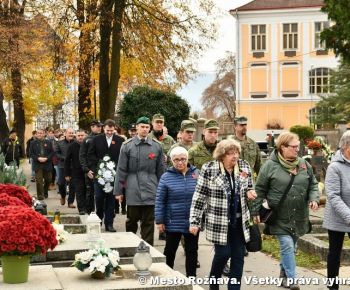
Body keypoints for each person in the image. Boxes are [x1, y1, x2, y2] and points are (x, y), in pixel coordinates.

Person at [252, 132, 319, 290]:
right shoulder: (270, 165)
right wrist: (255, 211)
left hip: (299, 215)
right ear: (282, 147)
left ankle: (283, 276)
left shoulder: (303, 164)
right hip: (278, 216)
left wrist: (314, 198)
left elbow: (313, 184)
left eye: (298, 147)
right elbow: (259, 189)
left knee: (292, 247)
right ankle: (292, 279)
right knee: (287, 245)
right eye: (294, 147)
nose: (297, 150)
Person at [189, 139, 257, 290]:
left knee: (238, 257)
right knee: (223, 254)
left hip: (239, 221)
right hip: (219, 222)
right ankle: (214, 283)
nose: (235, 156)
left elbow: (250, 187)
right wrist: (194, 222)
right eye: (230, 153)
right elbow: (199, 197)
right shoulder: (209, 168)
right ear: (221, 155)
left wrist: (250, 192)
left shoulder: (244, 166)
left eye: (236, 152)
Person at [114, 116, 164, 245]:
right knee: (131, 220)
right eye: (142, 126)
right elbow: (121, 170)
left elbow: (160, 171)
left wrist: (163, 190)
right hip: (133, 189)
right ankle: (130, 245)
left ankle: (147, 250)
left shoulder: (157, 146)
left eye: (147, 127)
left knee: (148, 222)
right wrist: (118, 191)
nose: (145, 129)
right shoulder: (127, 146)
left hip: (151, 188)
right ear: (136, 127)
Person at [155, 146, 199, 277]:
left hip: (193, 221)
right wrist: (159, 220)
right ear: (171, 161)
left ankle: (191, 278)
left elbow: (204, 194)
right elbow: (160, 200)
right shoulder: (166, 177)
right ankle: (167, 277)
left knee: (192, 251)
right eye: (176, 160)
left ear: (187, 159)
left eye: (183, 159)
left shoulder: (197, 173)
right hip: (173, 221)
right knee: (170, 250)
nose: (180, 162)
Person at [323, 131, 350, 290]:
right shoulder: (335, 167)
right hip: (337, 218)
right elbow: (333, 196)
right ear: (347, 147)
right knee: (335, 253)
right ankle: (332, 285)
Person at [88, 119, 124, 232]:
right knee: (98, 198)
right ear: (104, 128)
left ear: (115, 129)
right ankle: (98, 221)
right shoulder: (96, 139)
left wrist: (114, 167)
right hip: (99, 175)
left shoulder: (120, 140)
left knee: (111, 200)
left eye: (112, 131)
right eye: (108, 130)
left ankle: (109, 224)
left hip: (113, 175)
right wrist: (101, 164)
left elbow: (122, 157)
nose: (109, 132)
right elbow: (90, 155)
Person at [79, 119, 102, 214]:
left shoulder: (103, 138)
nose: (100, 128)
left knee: (101, 193)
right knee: (90, 192)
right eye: (98, 126)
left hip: (102, 169)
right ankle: (90, 212)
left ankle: (100, 212)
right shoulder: (87, 139)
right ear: (92, 127)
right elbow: (82, 155)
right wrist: (86, 170)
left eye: (100, 126)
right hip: (91, 170)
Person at [65, 129, 87, 215]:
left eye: (82, 135)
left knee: (86, 191)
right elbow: (67, 160)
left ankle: (86, 207)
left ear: (85, 136)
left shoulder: (88, 144)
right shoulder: (72, 146)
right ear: (76, 136)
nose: (81, 137)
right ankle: (81, 209)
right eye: (79, 136)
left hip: (87, 172)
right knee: (79, 191)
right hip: (76, 172)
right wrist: (67, 174)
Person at [29, 129, 54, 201]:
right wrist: (38, 158)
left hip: (47, 164)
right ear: (36, 134)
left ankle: (45, 191)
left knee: (48, 179)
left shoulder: (48, 142)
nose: (39, 134)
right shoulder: (32, 143)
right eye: (38, 133)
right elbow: (30, 153)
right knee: (39, 181)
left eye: (41, 133)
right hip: (37, 164)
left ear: (44, 134)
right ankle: (40, 195)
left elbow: (52, 153)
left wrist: (47, 158)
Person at [55, 128, 75, 207]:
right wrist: (65, 158)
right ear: (65, 134)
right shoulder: (59, 143)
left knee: (72, 185)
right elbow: (57, 153)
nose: (71, 134)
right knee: (61, 183)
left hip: (73, 166)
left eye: (72, 133)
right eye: (69, 133)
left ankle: (70, 202)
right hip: (62, 166)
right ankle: (63, 196)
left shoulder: (76, 143)